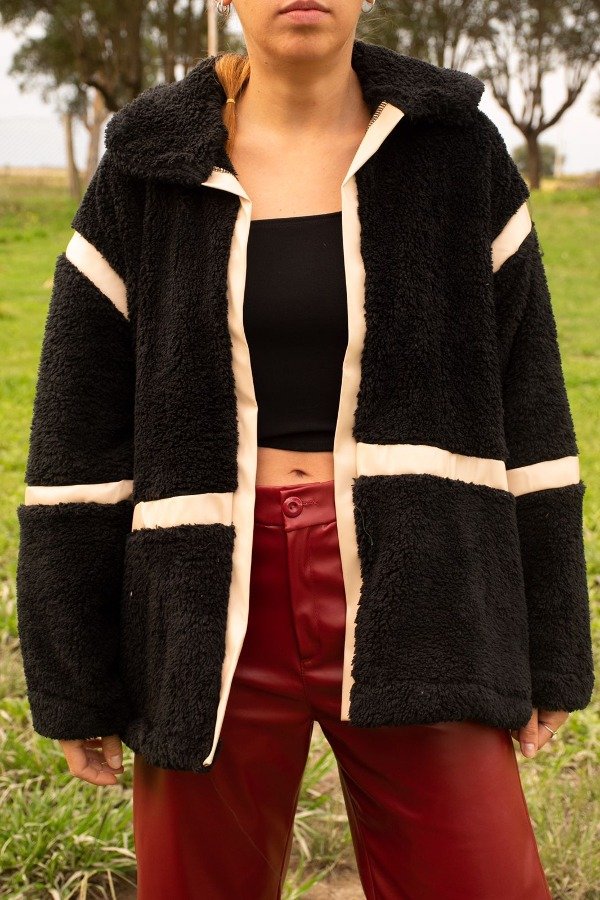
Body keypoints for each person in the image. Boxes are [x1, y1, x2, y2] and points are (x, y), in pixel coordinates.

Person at [15, 1, 595, 897]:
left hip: (427, 584)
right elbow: (76, 432)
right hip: (204, 595)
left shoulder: (456, 151)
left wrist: (554, 641)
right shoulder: (148, 166)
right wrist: (73, 675)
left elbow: (533, 405)